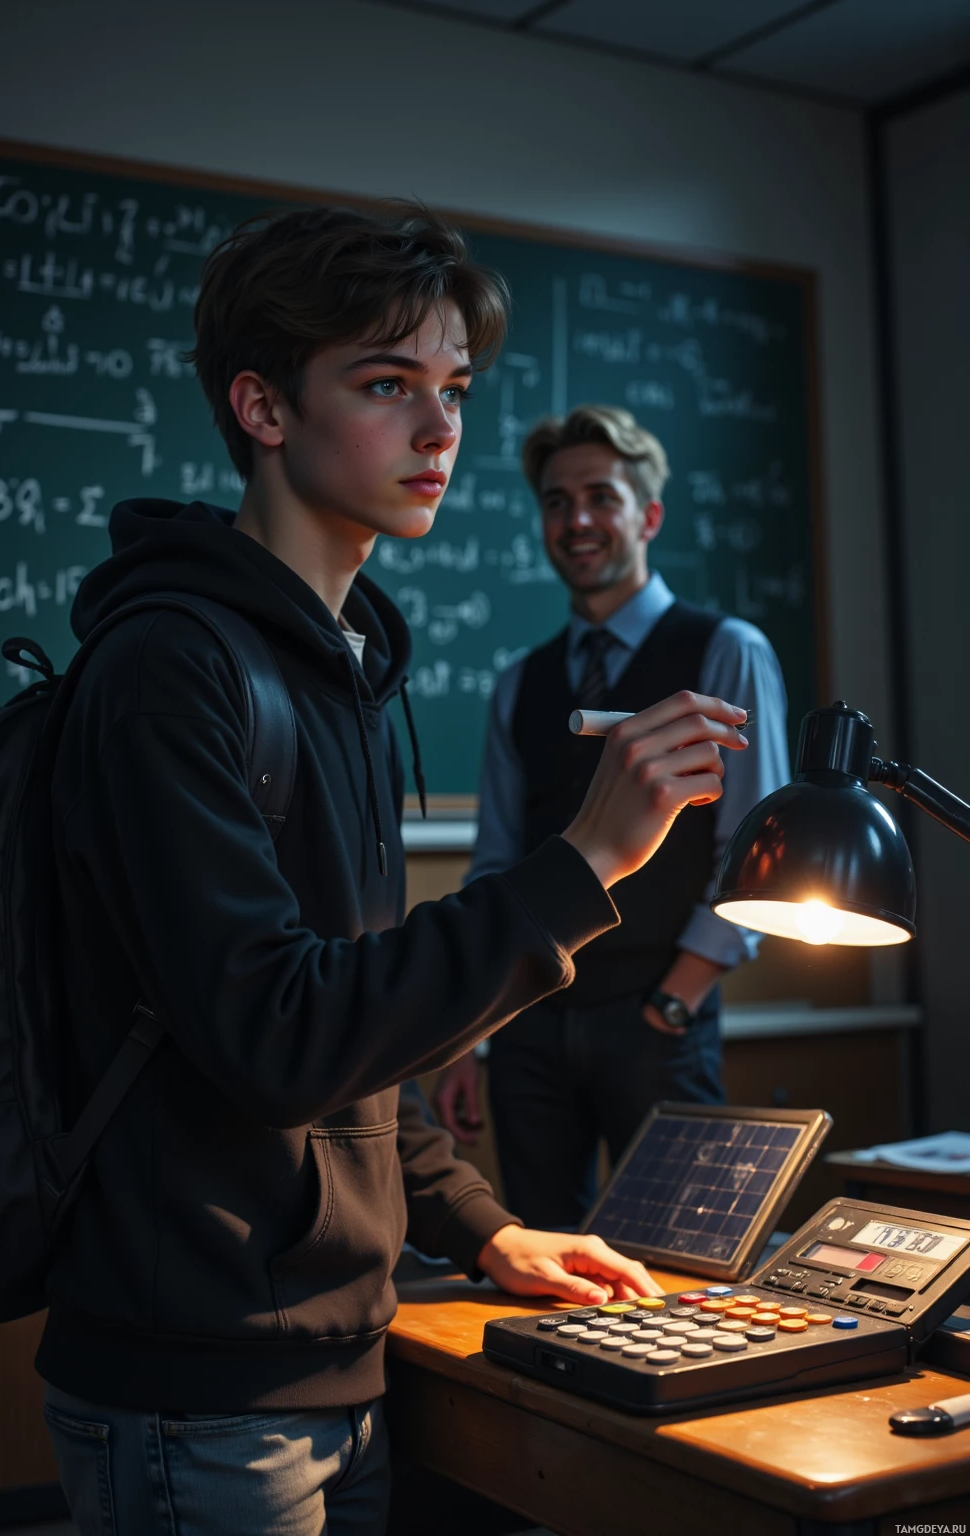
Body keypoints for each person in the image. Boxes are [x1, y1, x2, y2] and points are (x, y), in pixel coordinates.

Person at [37, 209, 749, 1536]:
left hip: (330, 1373)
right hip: (205, 1398)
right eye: (386, 386)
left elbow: (350, 1021)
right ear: (260, 404)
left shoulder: (345, 667)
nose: (440, 433)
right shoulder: (170, 672)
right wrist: (587, 858)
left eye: (453, 393)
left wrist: (483, 1226)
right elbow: (281, 1036)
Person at [433, 405, 789, 1232]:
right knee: (545, 1274)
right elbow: (496, 864)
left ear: (648, 516)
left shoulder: (726, 649)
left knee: (681, 1262)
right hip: (528, 1032)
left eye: (601, 497)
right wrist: (467, 1035)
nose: (578, 519)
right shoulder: (519, 684)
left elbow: (753, 854)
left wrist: (672, 1005)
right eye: (557, 502)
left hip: (658, 1021)